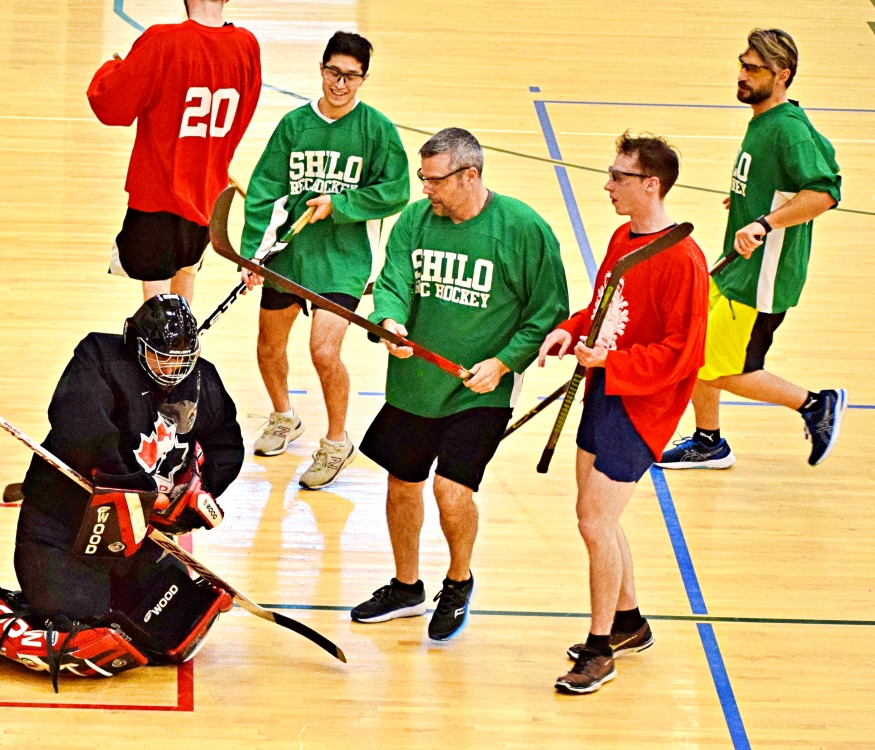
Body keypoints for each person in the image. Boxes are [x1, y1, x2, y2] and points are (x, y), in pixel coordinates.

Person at [0, 295, 245, 687]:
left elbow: (226, 445)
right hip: (62, 529)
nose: (172, 368)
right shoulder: (98, 356)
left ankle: (48, 608)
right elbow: (79, 427)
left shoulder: (204, 380)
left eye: (181, 358)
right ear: (136, 345)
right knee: (77, 637)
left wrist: (196, 494)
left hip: (131, 539)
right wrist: (142, 491)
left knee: (173, 629)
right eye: (160, 357)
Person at [350, 128, 569, 642]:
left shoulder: (523, 229)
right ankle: (406, 587)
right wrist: (390, 320)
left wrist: (506, 361)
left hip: (480, 389)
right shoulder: (414, 220)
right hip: (414, 385)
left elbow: (548, 311)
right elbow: (393, 281)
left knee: (451, 491)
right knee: (402, 483)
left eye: (434, 179)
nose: (425, 189)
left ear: (470, 175)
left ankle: (458, 580)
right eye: (422, 178)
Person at [538, 133, 709, 694]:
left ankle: (599, 647)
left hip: (644, 405)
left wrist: (609, 358)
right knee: (598, 521)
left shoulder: (683, 259)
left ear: (650, 185)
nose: (608, 185)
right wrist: (568, 331)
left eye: (619, 176)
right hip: (604, 392)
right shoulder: (622, 238)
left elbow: (683, 354)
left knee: (594, 521)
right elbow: (604, 309)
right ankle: (629, 622)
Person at [656, 28, 844, 471]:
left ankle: (815, 405)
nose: (742, 75)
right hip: (736, 267)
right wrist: (750, 196)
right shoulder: (769, 119)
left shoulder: (787, 130)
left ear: (783, 75)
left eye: (753, 69)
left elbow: (824, 192)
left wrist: (766, 220)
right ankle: (708, 442)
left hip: (762, 276)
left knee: (713, 365)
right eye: (741, 64)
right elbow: (818, 161)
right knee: (694, 344)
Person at [239, 31, 409, 490]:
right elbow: (264, 191)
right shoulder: (294, 125)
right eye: (334, 72)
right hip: (291, 257)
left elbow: (396, 191)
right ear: (321, 69)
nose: (340, 83)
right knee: (268, 347)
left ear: (363, 78)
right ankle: (283, 417)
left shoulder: (377, 130)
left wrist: (341, 204)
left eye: (351, 76)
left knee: (323, 350)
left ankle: (336, 441)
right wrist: (254, 256)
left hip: (344, 262)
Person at [88, 0, 261, 302]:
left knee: (159, 317)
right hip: (206, 195)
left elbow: (111, 105)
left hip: (158, 198)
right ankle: (182, 351)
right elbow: (243, 114)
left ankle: (163, 351)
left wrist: (114, 67)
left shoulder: (162, 41)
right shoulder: (247, 46)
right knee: (184, 293)